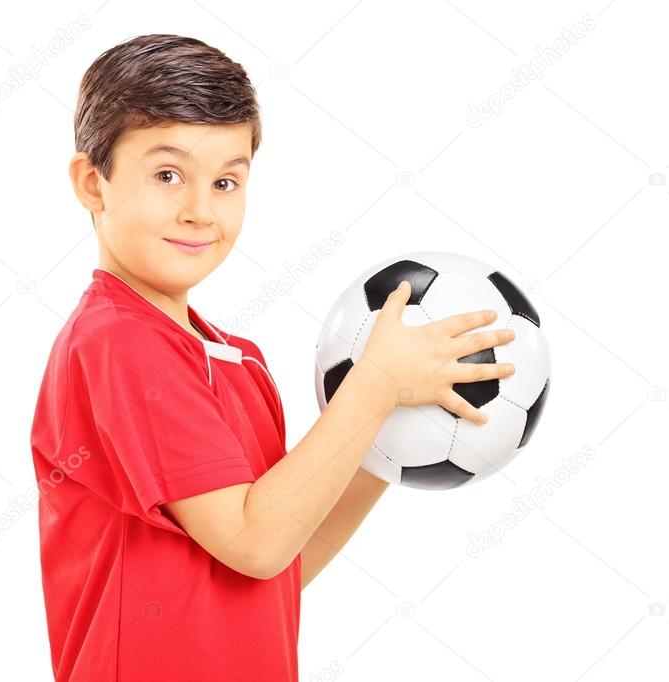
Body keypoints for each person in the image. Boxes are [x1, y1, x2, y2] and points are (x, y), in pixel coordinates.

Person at [29, 33, 517, 681]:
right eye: (167, 175)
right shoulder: (117, 340)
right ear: (93, 182)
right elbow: (254, 543)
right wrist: (372, 386)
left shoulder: (236, 358)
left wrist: (383, 440)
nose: (200, 211)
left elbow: (279, 561)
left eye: (226, 181)